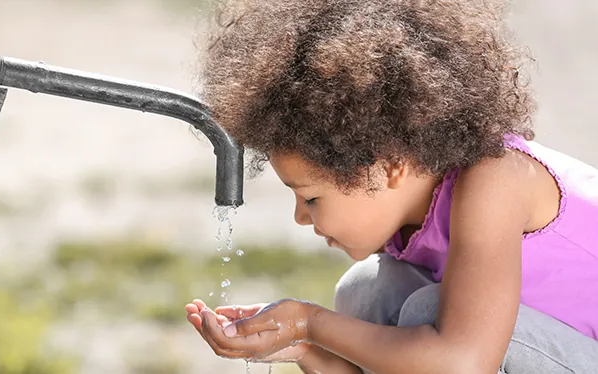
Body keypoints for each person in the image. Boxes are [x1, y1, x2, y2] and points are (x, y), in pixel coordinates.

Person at [183, 0, 598, 373]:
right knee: (369, 289)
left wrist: (311, 321)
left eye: (311, 197)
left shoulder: (496, 180)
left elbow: (461, 363)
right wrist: (303, 346)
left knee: (427, 312)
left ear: (390, 167)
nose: (300, 217)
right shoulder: (404, 220)